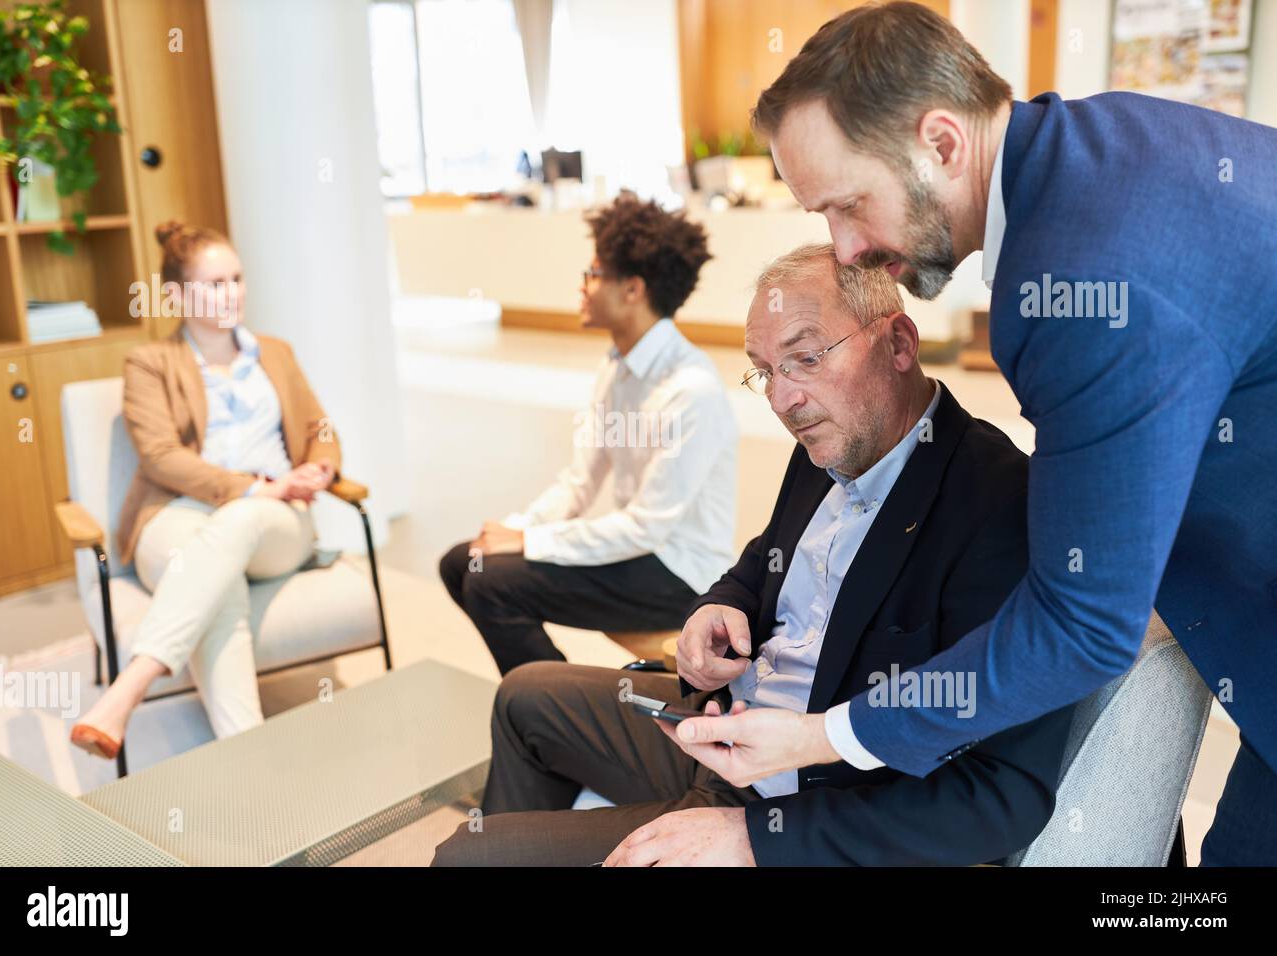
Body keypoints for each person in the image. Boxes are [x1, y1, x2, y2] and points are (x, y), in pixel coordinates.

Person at [671, 1, 1277, 865]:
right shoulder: (1090, 155)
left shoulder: (1082, 277)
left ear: (943, 143)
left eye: (848, 205)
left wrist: (826, 737)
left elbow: (1082, 626)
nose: (843, 249)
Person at [431, 249, 1074, 866]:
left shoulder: (996, 504)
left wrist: (754, 841)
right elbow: (766, 555)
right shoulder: (831, 443)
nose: (782, 399)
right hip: (728, 733)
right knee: (524, 697)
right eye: (765, 371)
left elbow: (999, 797)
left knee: (466, 853)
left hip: (798, 808)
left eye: (804, 358)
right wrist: (721, 604)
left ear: (899, 344)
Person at [70, 221, 341, 757]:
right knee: (219, 585)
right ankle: (249, 762)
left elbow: (320, 431)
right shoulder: (150, 363)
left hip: (275, 522)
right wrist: (250, 487)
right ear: (175, 295)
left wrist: (320, 470)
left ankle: (128, 687)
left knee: (237, 524)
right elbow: (160, 456)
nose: (232, 293)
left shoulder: (276, 353)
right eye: (213, 284)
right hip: (175, 514)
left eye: (236, 279)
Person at [438, 192, 737, 675]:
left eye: (593, 274)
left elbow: (647, 526)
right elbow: (580, 479)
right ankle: (548, 691)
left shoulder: (690, 389)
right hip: (639, 552)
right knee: (463, 563)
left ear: (633, 290)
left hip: (679, 574)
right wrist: (518, 528)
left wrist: (531, 542)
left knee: (490, 583)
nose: (582, 286)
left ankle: (551, 705)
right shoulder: (617, 366)